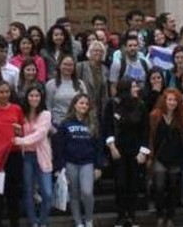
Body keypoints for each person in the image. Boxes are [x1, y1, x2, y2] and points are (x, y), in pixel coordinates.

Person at [53, 93, 103, 227]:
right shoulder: (65, 124)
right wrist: (59, 167)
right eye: (81, 103)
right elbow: (59, 148)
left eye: (86, 104)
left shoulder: (93, 123)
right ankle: (78, 222)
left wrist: (98, 166)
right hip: (70, 163)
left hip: (87, 163)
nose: (84, 106)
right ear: (74, 105)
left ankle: (88, 220)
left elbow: (99, 147)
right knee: (74, 194)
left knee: (87, 192)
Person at [104, 79, 147, 227]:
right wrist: (112, 146)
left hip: (135, 152)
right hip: (118, 151)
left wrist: (143, 151)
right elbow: (107, 126)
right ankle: (121, 215)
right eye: (133, 86)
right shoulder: (112, 104)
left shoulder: (141, 105)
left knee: (133, 184)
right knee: (120, 183)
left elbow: (145, 130)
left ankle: (132, 216)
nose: (137, 88)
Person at [0, 80, 25, 227]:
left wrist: (17, 131)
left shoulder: (17, 109)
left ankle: (15, 223)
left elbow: (22, 132)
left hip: (13, 155)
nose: (4, 95)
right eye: (1, 92)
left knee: (13, 193)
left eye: (7, 92)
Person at [148, 88, 183, 227]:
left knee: (173, 188)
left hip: (175, 157)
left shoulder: (180, 117)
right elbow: (151, 137)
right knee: (159, 187)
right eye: (169, 99)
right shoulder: (155, 115)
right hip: (160, 156)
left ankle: (170, 217)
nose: (172, 102)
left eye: (175, 100)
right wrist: (150, 156)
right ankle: (160, 215)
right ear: (164, 101)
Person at [16, 86, 53, 227]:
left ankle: (42, 222)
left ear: (41, 98)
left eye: (37, 96)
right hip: (27, 157)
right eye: (31, 95)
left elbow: (40, 134)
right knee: (28, 191)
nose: (34, 98)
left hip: (42, 156)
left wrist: (20, 140)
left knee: (47, 193)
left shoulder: (46, 114)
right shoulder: (22, 114)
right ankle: (33, 222)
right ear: (27, 97)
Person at [46, 53, 88, 122]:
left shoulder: (80, 84)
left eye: (70, 65)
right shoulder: (51, 84)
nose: (68, 67)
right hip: (57, 123)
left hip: (76, 123)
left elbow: (86, 104)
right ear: (59, 65)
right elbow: (48, 107)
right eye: (65, 64)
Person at [77, 40, 109, 111]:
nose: (98, 53)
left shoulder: (105, 69)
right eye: (95, 50)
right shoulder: (81, 66)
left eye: (101, 51)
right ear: (89, 52)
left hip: (100, 108)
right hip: (84, 105)